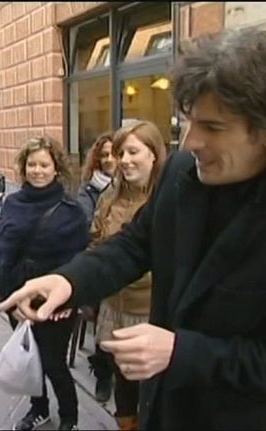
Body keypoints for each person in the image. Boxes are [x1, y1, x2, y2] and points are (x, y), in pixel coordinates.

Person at [0, 23, 266, 430]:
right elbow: (135, 245)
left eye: (213, 128)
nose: (190, 142)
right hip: (159, 412)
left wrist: (181, 352)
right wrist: (69, 281)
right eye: (190, 122)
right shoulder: (179, 173)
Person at [0, 136, 89, 431]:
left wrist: (69, 302)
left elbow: (79, 262)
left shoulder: (71, 210)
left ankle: (69, 417)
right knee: (30, 358)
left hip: (55, 302)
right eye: (32, 164)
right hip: (17, 296)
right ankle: (39, 408)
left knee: (53, 362)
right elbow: (3, 251)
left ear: (56, 168)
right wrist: (6, 297)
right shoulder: (12, 203)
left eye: (44, 165)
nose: (37, 170)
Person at [89, 121, 166, 430]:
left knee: (153, 391)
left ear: (154, 154)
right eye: (120, 153)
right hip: (114, 307)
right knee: (123, 383)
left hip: (151, 313)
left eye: (133, 152)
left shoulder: (168, 199)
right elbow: (96, 239)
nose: (124, 160)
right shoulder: (109, 196)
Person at [75, 132, 117, 403]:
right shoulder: (89, 190)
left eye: (114, 154)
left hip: (131, 268)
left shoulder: (138, 185)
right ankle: (103, 370)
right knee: (104, 306)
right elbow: (88, 229)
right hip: (101, 264)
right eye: (104, 155)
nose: (110, 159)